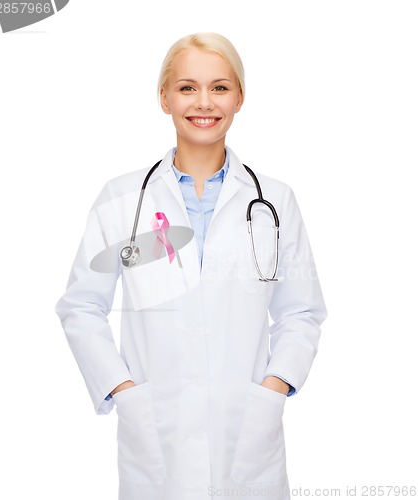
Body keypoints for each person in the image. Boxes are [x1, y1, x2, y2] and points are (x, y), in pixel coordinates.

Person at [56, 32, 327, 500]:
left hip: (248, 438)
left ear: (240, 97)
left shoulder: (274, 201)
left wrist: (272, 389)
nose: (204, 102)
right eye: (187, 87)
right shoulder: (123, 200)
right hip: (156, 438)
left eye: (220, 87)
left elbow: (301, 313)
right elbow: (80, 307)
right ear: (164, 98)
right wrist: (123, 389)